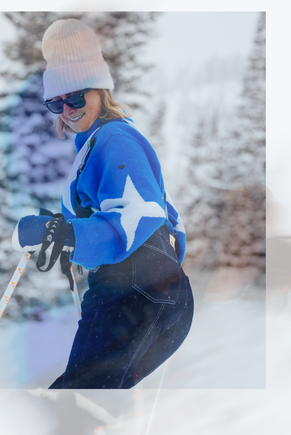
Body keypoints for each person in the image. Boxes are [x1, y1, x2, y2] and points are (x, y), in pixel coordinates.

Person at [12, 19, 193, 389]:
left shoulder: (114, 139)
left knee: (75, 406)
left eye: (76, 97)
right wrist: (62, 233)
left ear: (101, 90)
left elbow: (139, 217)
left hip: (136, 290)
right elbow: (170, 223)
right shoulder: (95, 146)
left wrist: (66, 233)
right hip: (138, 292)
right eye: (55, 102)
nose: (67, 109)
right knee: (84, 408)